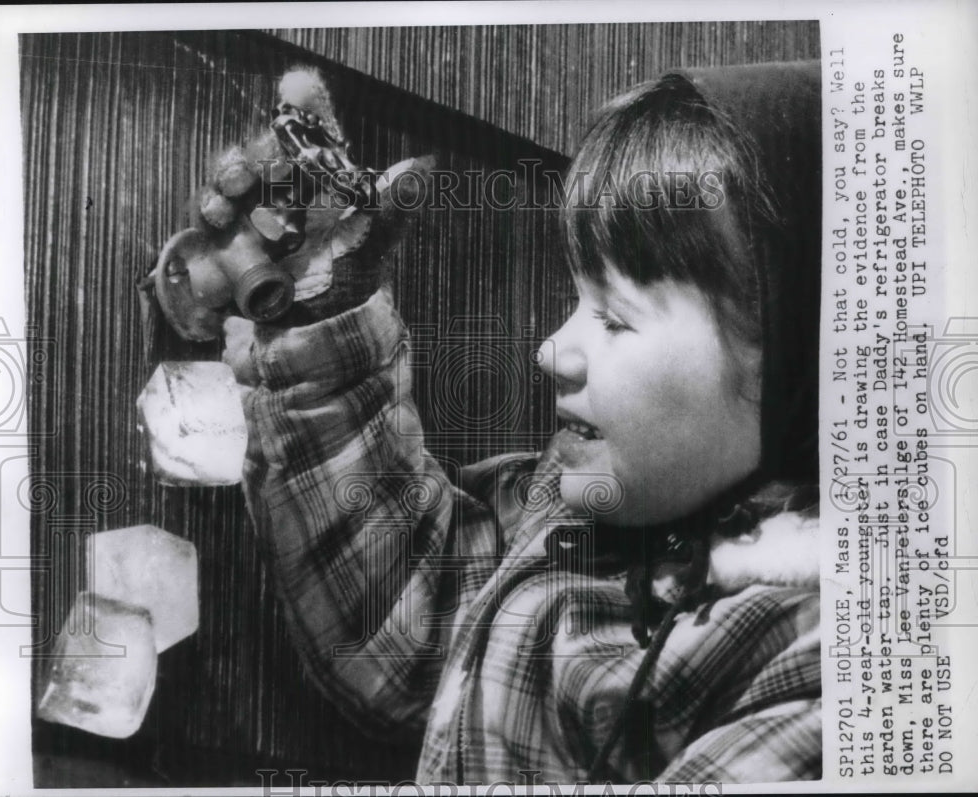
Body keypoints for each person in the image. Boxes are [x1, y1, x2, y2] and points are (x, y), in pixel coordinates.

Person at [212, 62, 822, 783]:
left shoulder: (814, 664)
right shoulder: (566, 504)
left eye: (616, 317)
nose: (552, 350)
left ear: (797, 368)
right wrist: (320, 301)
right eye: (576, 297)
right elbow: (400, 640)